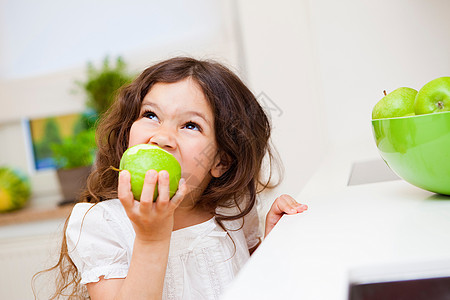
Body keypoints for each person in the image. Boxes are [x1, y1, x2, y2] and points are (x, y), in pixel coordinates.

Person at [46, 57, 308, 300]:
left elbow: (253, 286)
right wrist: (151, 239)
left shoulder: (232, 211)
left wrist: (275, 244)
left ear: (221, 161)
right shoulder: (102, 224)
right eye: (150, 115)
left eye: (190, 125)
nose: (161, 137)